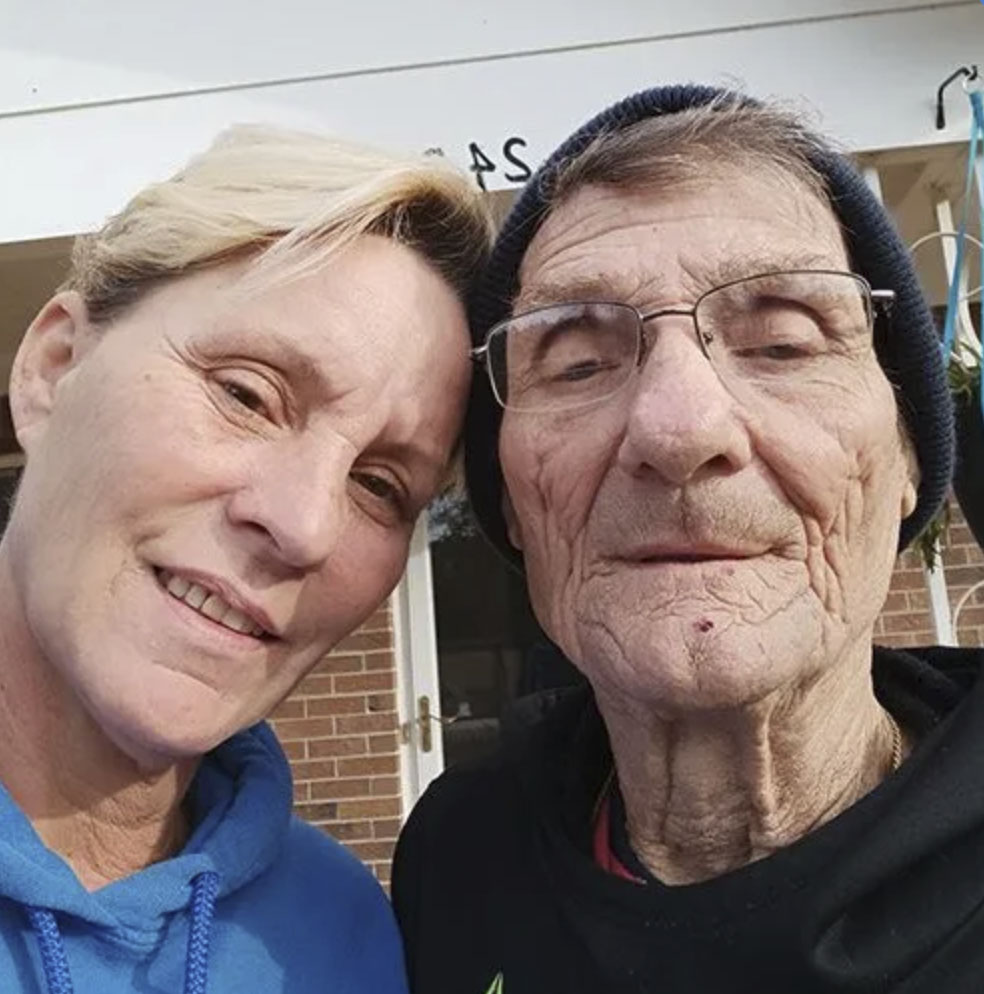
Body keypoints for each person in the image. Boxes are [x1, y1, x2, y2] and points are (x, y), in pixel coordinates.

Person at [392, 84, 984, 993]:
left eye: (782, 345)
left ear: (906, 459)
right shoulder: (453, 865)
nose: (678, 429)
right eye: (579, 362)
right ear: (512, 505)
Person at [0, 125, 490, 993]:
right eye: (246, 394)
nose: (304, 525)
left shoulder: (347, 934)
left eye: (380, 486)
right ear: (53, 367)